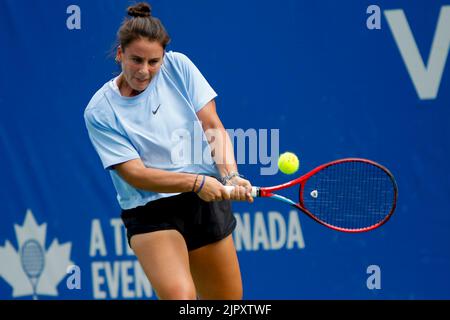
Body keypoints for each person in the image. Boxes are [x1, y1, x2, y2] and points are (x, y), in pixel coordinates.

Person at [84, 2, 253, 300]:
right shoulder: (100, 110)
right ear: (120, 54)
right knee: (180, 298)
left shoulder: (179, 66)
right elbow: (135, 174)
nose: (144, 71)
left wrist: (231, 175)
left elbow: (212, 124)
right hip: (150, 210)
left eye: (153, 62)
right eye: (136, 60)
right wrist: (196, 182)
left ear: (163, 57)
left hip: (205, 203)